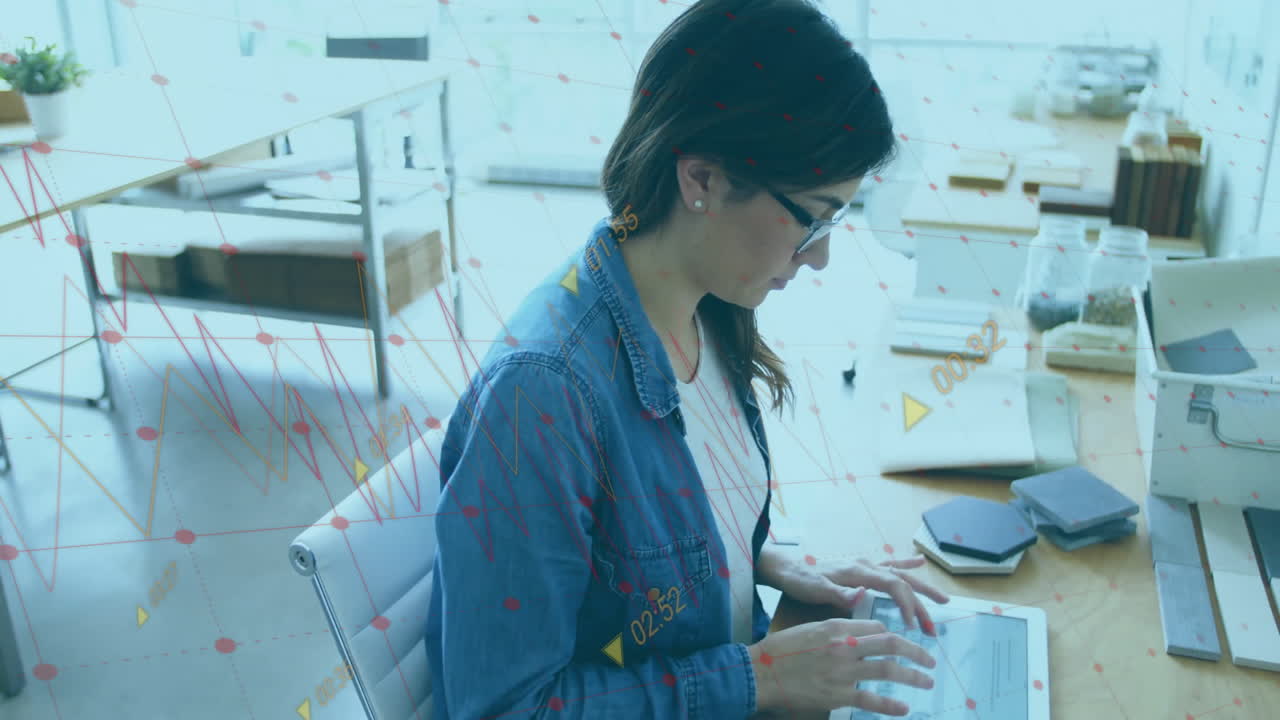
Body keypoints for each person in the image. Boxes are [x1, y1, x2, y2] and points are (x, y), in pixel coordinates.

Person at [425, 1, 948, 717]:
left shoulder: (706, 307)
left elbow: (642, 545)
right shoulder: (542, 396)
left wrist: (768, 559)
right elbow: (503, 707)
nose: (822, 256)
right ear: (700, 179)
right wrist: (758, 676)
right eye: (812, 218)